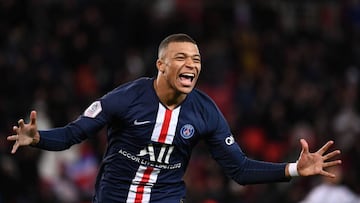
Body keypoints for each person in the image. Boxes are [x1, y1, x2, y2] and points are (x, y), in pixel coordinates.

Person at [7, 33, 341, 203]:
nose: (191, 65)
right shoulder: (125, 98)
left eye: (196, 59)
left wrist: (295, 169)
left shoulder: (205, 111)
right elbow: (73, 134)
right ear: (161, 66)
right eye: (180, 57)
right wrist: (37, 138)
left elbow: (238, 169)